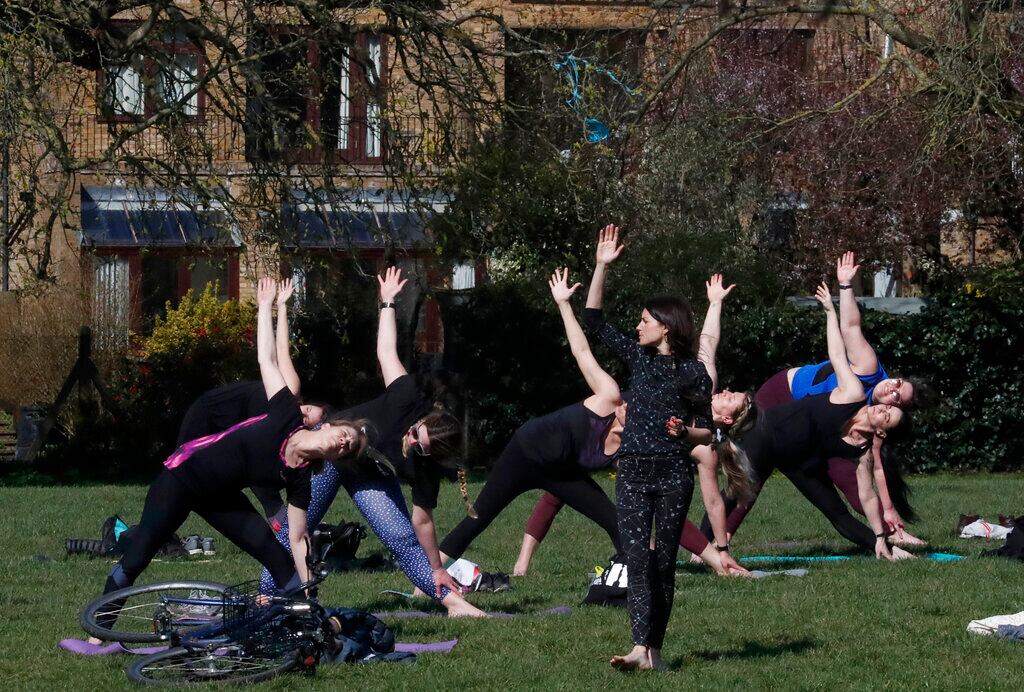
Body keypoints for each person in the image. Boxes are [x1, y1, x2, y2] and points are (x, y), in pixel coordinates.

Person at [86, 278, 368, 643]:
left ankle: (305, 626)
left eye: (347, 449)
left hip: (220, 498)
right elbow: (267, 360)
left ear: (334, 456)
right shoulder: (285, 413)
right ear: (330, 427)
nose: (344, 442)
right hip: (182, 479)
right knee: (139, 554)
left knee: (275, 554)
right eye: (345, 435)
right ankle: (98, 633)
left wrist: (309, 590)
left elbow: (298, 539)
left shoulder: (299, 478)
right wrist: (265, 305)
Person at [260, 267, 485, 617]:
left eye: (420, 447)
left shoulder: (427, 467)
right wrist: (387, 303)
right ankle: (264, 595)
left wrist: (438, 568)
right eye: (415, 433)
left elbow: (422, 523)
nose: (411, 442)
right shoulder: (407, 397)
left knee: (401, 539)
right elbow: (386, 354)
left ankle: (453, 604)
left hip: (368, 474)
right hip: (332, 451)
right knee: (296, 531)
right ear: (423, 419)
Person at [512, 274, 755, 578]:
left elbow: (713, 501)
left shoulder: (702, 420)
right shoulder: (682, 371)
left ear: (728, 420)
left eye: (731, 400)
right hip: (609, 425)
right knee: (559, 488)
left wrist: (722, 549)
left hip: (632, 450)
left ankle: (701, 566)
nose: (725, 393)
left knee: (657, 511)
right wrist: (716, 304)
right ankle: (521, 564)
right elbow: (708, 342)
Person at [701, 252, 932, 547]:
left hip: (808, 434)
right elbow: (849, 332)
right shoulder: (867, 372)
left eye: (897, 400)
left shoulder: (873, 417)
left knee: (844, 482)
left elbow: (874, 469)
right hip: (782, 395)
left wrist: (888, 510)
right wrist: (844, 289)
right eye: (898, 384)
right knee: (753, 471)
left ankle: (885, 535)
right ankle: (721, 537)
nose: (892, 391)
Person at [585, 225, 714, 672]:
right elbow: (595, 321)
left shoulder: (694, 374)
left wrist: (685, 435)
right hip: (634, 472)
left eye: (644, 320)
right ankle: (641, 648)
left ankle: (653, 651)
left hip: (673, 475)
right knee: (637, 559)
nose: (637, 325)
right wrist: (601, 266)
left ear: (666, 327)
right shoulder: (638, 357)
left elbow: (709, 432)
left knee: (663, 566)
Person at [175, 278, 330, 525]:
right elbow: (280, 350)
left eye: (310, 419)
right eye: (309, 408)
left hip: (228, 432)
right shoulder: (290, 390)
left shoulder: (287, 428)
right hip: (208, 413)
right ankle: (160, 534)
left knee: (211, 483)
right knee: (179, 475)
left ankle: (270, 525)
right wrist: (280, 305)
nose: (305, 413)